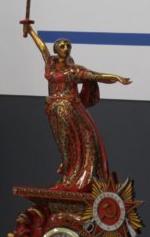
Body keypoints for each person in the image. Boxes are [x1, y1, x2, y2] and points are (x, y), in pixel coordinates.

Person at [23, 22, 130, 191]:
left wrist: (116, 77)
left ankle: (76, 178)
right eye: (61, 45)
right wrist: (30, 31)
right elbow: (42, 47)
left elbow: (95, 76)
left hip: (70, 110)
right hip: (54, 111)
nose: (65, 48)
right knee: (63, 144)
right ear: (56, 50)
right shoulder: (51, 64)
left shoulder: (74, 71)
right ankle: (68, 176)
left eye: (68, 45)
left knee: (81, 141)